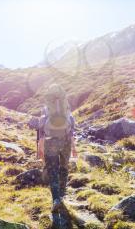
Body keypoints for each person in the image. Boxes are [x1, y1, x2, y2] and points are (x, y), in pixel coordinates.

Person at [37, 83, 77, 228]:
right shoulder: (66, 109)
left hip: (50, 142)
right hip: (65, 141)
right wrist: (74, 147)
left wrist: (40, 149)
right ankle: (62, 195)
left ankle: (55, 199)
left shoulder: (46, 109)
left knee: (53, 171)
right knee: (64, 168)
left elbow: (41, 129)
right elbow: (71, 126)